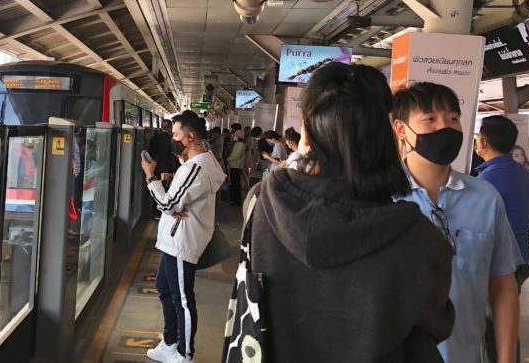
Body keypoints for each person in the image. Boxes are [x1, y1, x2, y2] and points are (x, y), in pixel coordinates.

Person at [242, 63, 454, 362]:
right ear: (389, 135)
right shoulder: (422, 239)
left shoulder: (260, 205)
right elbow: (432, 329)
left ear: (307, 133)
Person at [393, 82, 522, 363]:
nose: (446, 127)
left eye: (453, 118)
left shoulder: (486, 198)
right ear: (401, 129)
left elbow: (502, 285)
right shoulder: (382, 198)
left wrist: (506, 358)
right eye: (430, 119)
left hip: (464, 355)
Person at [141, 110, 226, 363]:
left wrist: (150, 176)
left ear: (189, 137)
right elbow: (178, 200)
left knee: (183, 299)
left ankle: (184, 353)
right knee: (164, 289)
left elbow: (168, 205)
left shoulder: (196, 168)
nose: (172, 137)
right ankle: (169, 342)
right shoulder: (197, 163)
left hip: (182, 241)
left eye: (176, 134)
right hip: (175, 239)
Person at [474, 116, 529, 362]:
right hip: (522, 256)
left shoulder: (491, 179)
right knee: (503, 325)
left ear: (483, 141)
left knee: (496, 328)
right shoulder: (520, 173)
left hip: (502, 261)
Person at [226, 129, 246, 206]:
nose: (234, 137)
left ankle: (236, 201)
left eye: (235, 135)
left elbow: (236, 156)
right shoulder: (239, 143)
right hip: (235, 165)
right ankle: (235, 200)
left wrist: (228, 159)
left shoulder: (240, 144)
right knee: (235, 184)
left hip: (236, 166)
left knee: (235, 184)